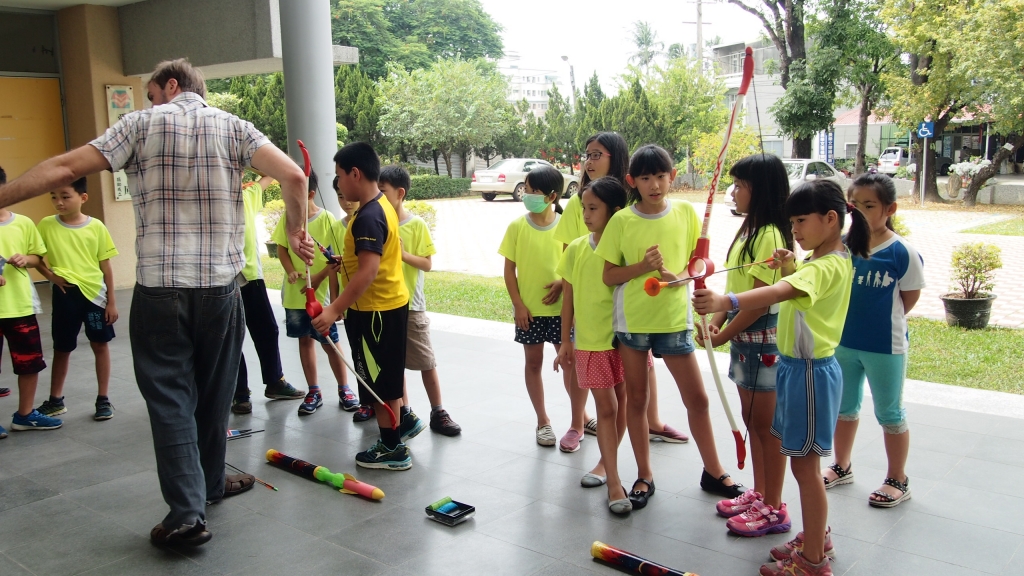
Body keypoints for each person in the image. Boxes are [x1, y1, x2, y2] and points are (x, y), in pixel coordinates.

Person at [0, 58, 314, 547]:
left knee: (170, 400)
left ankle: (188, 513)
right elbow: (294, 176)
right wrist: (296, 231)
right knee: (214, 396)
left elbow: (65, 168)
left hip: (159, 290)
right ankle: (209, 484)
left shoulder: (139, 125)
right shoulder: (236, 128)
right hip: (221, 290)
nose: (148, 103)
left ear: (171, 85)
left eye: (150, 94)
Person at [693, 179, 868, 576]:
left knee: (806, 470)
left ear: (831, 219)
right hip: (796, 369)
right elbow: (798, 285)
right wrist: (790, 264)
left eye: (801, 221)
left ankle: (813, 561)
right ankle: (816, 538)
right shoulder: (822, 259)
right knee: (803, 466)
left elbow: (779, 293)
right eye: (792, 223)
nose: (795, 230)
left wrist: (725, 300)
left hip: (809, 375)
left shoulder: (826, 265)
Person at [596, 145, 743, 511]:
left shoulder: (686, 213)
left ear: (673, 176)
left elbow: (699, 262)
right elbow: (609, 276)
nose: (654, 185)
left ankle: (714, 471)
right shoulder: (622, 221)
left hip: (675, 321)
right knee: (638, 400)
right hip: (633, 323)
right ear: (632, 181)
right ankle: (644, 474)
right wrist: (643, 268)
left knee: (698, 399)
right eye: (645, 178)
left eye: (661, 176)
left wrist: (680, 276)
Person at [557, 133, 687, 460]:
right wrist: (567, 330)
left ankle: (643, 430)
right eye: (587, 154)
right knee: (603, 397)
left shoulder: (632, 211)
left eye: (597, 154)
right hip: (591, 329)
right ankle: (577, 424)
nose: (589, 161)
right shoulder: (579, 223)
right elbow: (572, 270)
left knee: (630, 391)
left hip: (627, 326)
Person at [696, 155, 794, 537]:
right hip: (744, 340)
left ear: (761, 189)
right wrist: (717, 322)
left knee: (767, 427)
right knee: (752, 421)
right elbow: (735, 291)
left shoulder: (770, 234)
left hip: (762, 341)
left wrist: (721, 334)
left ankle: (774, 507)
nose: (733, 191)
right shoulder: (751, 231)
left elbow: (758, 302)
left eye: (740, 185)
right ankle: (761, 493)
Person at [822, 173, 923, 508]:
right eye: (855, 206)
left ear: (889, 209)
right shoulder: (841, 246)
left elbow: (908, 299)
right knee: (844, 407)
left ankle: (898, 479)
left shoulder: (901, 252)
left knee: (890, 413)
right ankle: (841, 465)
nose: (861, 212)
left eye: (869, 206)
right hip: (843, 343)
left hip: (885, 348)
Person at [312, 146, 411, 471]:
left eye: (340, 176)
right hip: (385, 306)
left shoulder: (368, 216)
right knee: (387, 379)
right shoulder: (379, 206)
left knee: (379, 382)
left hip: (375, 312)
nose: (339, 184)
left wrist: (333, 309)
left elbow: (368, 271)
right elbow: (369, 259)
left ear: (355, 174)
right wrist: (347, 261)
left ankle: (392, 448)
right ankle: (397, 432)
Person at [556, 177, 633, 513]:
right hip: (591, 343)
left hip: (627, 339)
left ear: (614, 211)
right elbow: (568, 299)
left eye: (593, 208)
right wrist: (565, 341)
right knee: (607, 409)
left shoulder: (626, 248)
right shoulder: (576, 248)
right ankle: (614, 483)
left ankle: (605, 464)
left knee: (624, 402)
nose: (586, 215)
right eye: (583, 208)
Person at [377, 165, 462, 436]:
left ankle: (438, 412)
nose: (378, 196)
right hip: (385, 305)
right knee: (394, 364)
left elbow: (427, 263)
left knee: (426, 361)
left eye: (383, 191)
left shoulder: (416, 225)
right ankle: (404, 413)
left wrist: (402, 254)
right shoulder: (377, 223)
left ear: (400, 193)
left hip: (411, 306)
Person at [499, 165, 572, 449]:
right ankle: (543, 421)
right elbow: (509, 271)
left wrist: (561, 283)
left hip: (561, 311)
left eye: (533, 191)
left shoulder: (565, 227)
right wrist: (518, 305)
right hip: (529, 312)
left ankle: (580, 418)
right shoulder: (517, 227)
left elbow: (571, 266)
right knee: (533, 364)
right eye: (526, 189)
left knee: (569, 363)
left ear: (552, 196)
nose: (526, 195)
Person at [35, 177, 119, 421]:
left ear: (83, 197)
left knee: (100, 345)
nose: (58, 202)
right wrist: (51, 276)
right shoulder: (46, 225)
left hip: (95, 297)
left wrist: (111, 301)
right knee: (62, 347)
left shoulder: (96, 227)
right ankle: (55, 400)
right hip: (65, 295)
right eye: (53, 197)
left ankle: (103, 399)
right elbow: (36, 257)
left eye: (65, 196)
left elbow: (106, 266)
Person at [274, 170, 353, 416]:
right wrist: (290, 271)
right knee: (304, 340)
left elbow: (335, 260)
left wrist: (320, 281)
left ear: (309, 193)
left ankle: (344, 389)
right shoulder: (288, 219)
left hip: (320, 298)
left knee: (330, 343)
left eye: (291, 192)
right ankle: (314, 391)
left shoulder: (327, 219)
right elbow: (282, 248)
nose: (286, 198)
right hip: (295, 295)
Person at [231, 173, 305, 415]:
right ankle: (239, 393)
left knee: (267, 330)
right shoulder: (213, 199)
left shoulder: (248, 194)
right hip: (223, 280)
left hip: (251, 276)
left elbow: (270, 174)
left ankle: (275, 382)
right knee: (232, 337)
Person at [0, 167, 57, 435]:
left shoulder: (23, 223)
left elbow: (37, 257)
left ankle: (24, 415)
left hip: (20, 306)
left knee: (29, 362)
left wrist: (26, 258)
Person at [331, 176, 372, 419]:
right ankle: (366, 402)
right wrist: (336, 304)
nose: (346, 200)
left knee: (377, 358)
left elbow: (370, 267)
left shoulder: (370, 218)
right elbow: (336, 267)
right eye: (339, 195)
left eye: (347, 193)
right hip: (351, 304)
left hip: (373, 303)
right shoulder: (339, 226)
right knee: (359, 355)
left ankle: (397, 409)